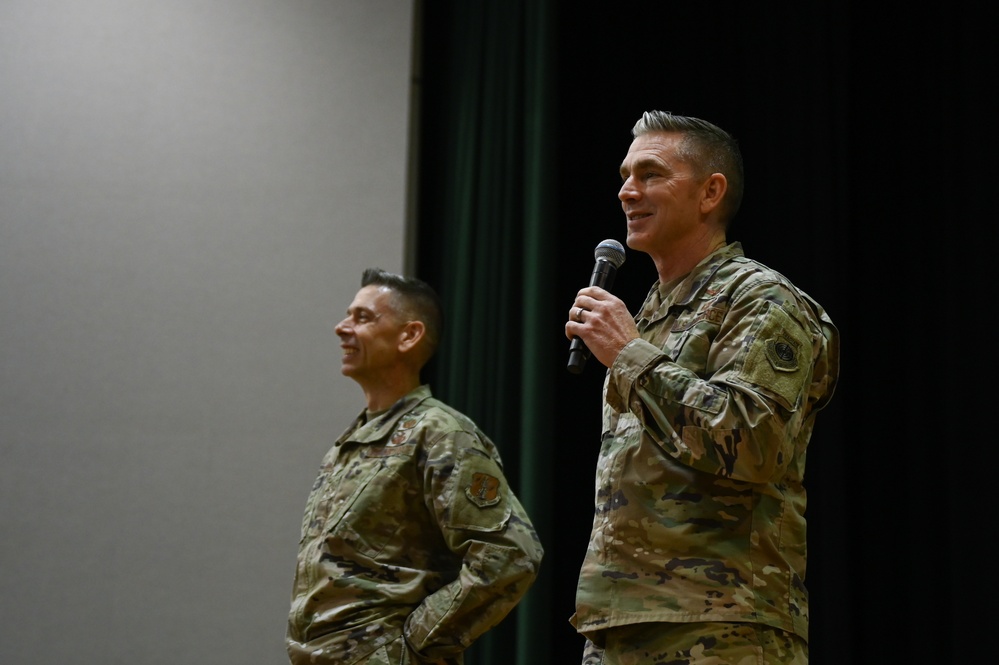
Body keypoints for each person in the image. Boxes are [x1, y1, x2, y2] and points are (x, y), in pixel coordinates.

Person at [564, 111, 840, 664]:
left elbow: (752, 442)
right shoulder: (651, 314)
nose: (627, 191)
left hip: (722, 626)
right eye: (624, 175)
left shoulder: (762, 299)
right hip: (620, 624)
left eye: (650, 174)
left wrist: (629, 355)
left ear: (711, 192)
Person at [287, 268, 543, 664]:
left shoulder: (439, 433)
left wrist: (410, 648)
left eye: (363, 317)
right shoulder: (347, 445)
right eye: (347, 315)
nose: (342, 328)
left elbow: (510, 555)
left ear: (409, 335)